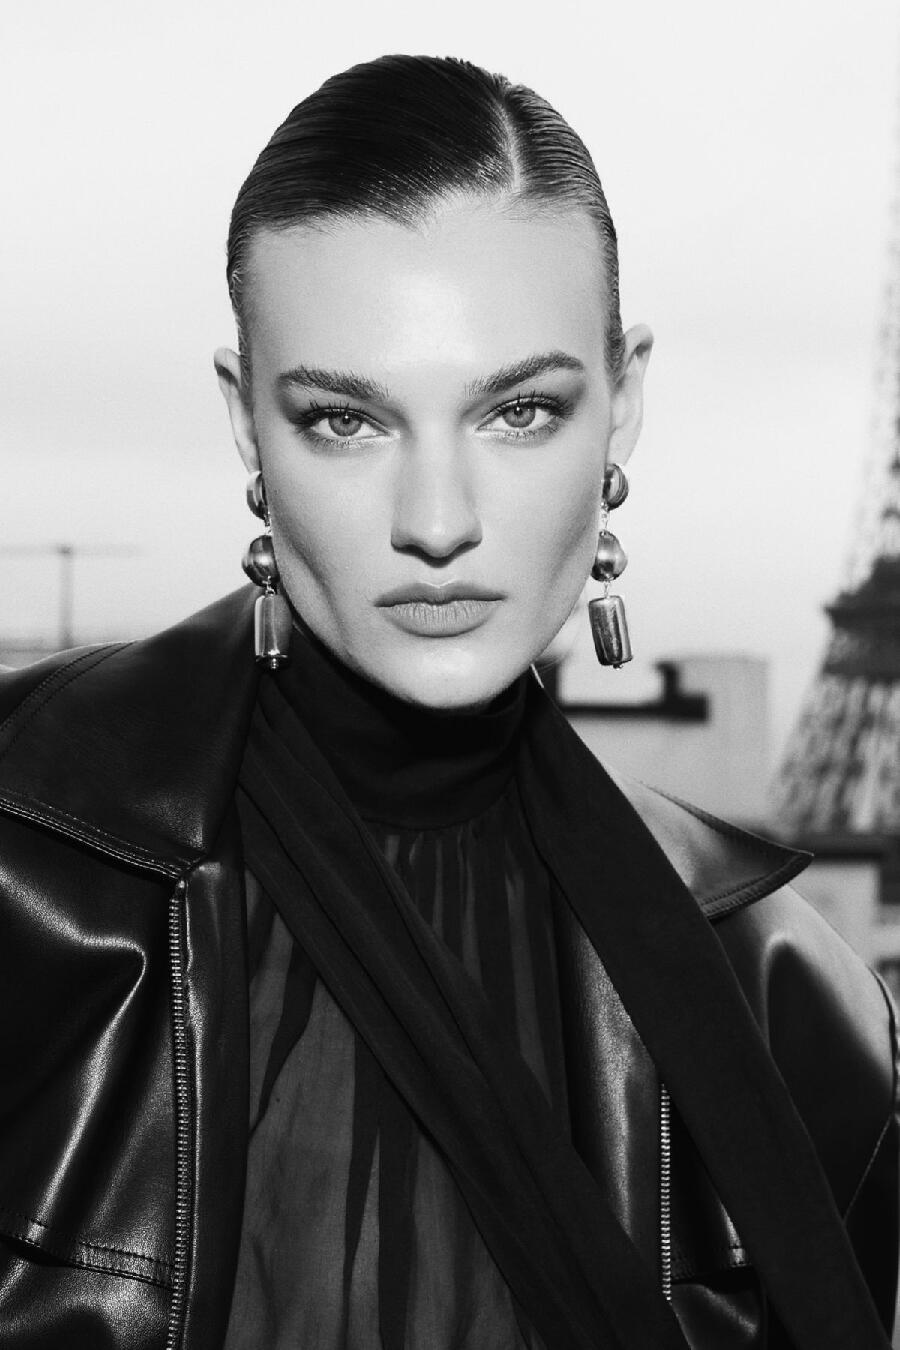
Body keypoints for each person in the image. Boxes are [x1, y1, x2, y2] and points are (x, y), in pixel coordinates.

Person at [0, 54, 896, 1350]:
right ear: (247, 423)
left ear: (623, 405)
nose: (437, 522)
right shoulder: (26, 880)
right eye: (346, 420)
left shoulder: (793, 999)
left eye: (519, 411)